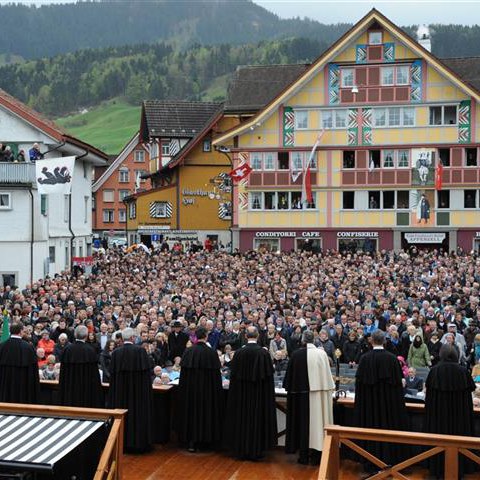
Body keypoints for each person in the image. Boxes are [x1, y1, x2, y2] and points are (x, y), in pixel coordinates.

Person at [354, 330, 408, 469]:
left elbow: (359, 385)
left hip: (369, 408)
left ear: (371, 341)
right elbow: (398, 387)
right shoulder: (392, 359)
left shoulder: (364, 359)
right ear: (385, 341)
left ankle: (369, 460)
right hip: (389, 408)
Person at [224, 326, 277, 460]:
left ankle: (241, 450)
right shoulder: (263, 353)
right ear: (258, 336)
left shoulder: (239, 353)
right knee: (257, 421)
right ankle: (256, 450)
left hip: (241, 397)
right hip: (259, 397)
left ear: (246, 336)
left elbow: (233, 376)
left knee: (242, 421)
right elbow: (269, 378)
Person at [283, 330, 335, 465]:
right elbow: (328, 379)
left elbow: (288, 380)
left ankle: (304, 456)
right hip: (318, 396)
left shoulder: (295, 355)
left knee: (302, 426)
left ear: (303, 340)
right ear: (314, 339)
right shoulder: (322, 354)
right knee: (318, 425)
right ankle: (317, 456)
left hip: (300, 397)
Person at [424, 344, 476, 478]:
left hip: (438, 418)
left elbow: (428, 398)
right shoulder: (463, 371)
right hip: (459, 418)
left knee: (439, 439)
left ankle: (437, 470)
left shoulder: (434, 371)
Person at [177, 326, 224, 452]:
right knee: (206, 414)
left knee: (191, 415)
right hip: (207, 393)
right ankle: (206, 441)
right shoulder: (211, 352)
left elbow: (183, 376)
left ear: (196, 337)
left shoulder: (188, 351)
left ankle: (191, 442)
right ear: (206, 336)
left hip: (191, 393)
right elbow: (216, 376)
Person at [108, 328, 153, 453]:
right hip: (138, 396)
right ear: (133, 338)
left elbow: (112, 376)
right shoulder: (141, 352)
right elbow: (147, 375)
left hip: (120, 395)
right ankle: (138, 444)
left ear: (122, 339)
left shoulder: (116, 353)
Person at [59, 325, 103, 408]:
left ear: (75, 334)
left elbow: (63, 374)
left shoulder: (67, 349)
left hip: (70, 391)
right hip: (86, 393)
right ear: (86, 336)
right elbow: (94, 376)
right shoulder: (90, 350)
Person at [0, 321, 40, 403]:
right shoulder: (28, 347)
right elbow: (33, 371)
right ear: (21, 331)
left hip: (4, 388)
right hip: (22, 388)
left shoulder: (2, 346)